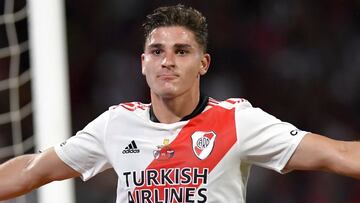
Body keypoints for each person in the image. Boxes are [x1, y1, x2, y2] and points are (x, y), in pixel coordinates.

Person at [0, 4, 359, 203]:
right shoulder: (115, 125)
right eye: (157, 51)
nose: (167, 61)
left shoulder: (237, 121)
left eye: (181, 51)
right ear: (143, 63)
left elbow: (337, 155)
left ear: (203, 63)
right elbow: (34, 170)